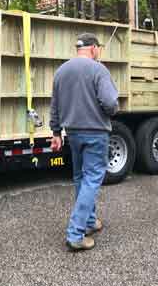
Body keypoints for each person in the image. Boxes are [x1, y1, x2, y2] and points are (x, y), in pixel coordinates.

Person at [49, 33, 119, 251]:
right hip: (96, 133)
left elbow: (55, 105)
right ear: (94, 48)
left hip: (73, 133)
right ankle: (75, 233)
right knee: (92, 180)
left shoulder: (62, 71)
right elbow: (110, 102)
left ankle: (89, 222)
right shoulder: (99, 70)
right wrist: (113, 110)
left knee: (81, 177)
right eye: (99, 48)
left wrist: (56, 132)